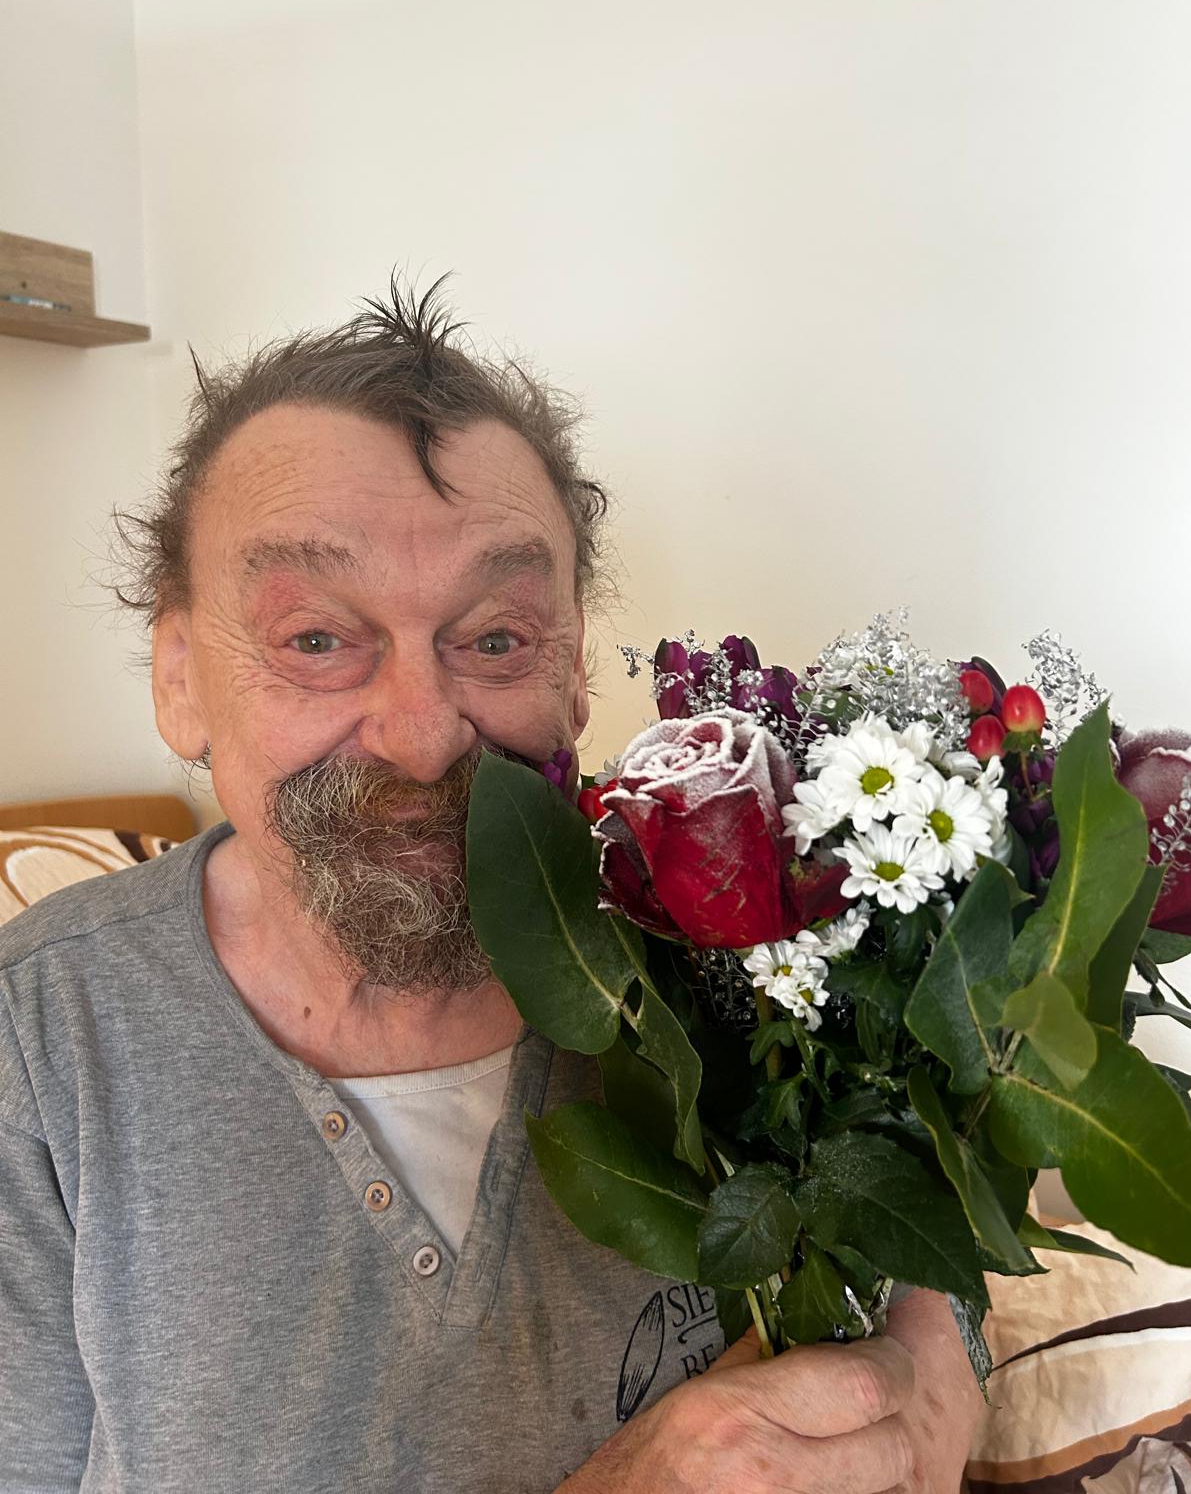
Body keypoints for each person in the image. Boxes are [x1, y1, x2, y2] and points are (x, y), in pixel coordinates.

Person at [0, 283, 983, 1492]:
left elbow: (921, 1220)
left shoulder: (736, 959)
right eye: (316, 638)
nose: (423, 736)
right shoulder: (36, 1046)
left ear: (572, 672)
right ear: (178, 679)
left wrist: (937, 1358)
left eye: (497, 640)